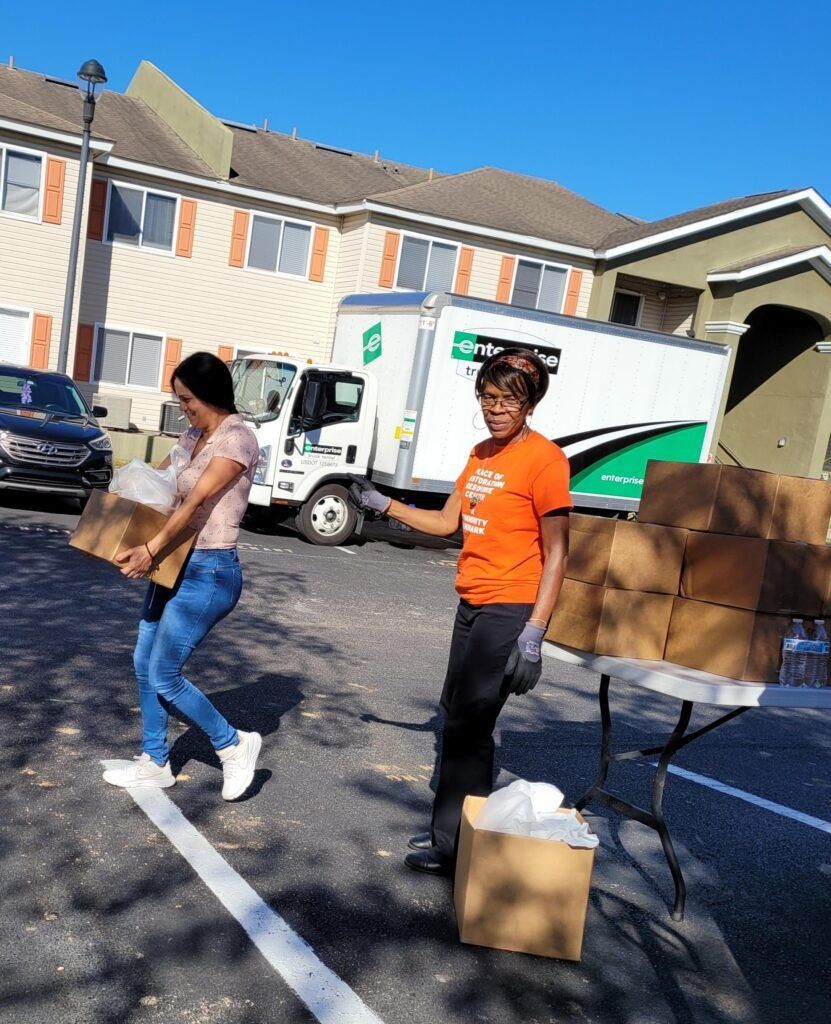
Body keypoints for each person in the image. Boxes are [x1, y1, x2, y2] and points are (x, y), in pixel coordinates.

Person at [350, 349, 571, 875]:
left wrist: (535, 632)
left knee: (470, 723)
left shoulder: (545, 460)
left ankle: (452, 845)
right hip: (471, 601)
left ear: (530, 403)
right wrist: (387, 506)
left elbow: (559, 552)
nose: (496, 409)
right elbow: (449, 522)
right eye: (488, 398)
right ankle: (458, 831)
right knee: (457, 713)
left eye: (508, 400)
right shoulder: (479, 454)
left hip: (511, 605)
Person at [102, 352, 262, 802]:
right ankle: (155, 762)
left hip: (209, 570)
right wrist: (125, 505)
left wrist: (150, 548)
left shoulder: (237, 438)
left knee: (164, 674)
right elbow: (168, 487)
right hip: (171, 562)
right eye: (179, 400)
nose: (184, 408)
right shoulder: (192, 435)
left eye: (187, 399)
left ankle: (234, 744)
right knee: (143, 662)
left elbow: (195, 504)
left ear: (210, 394)